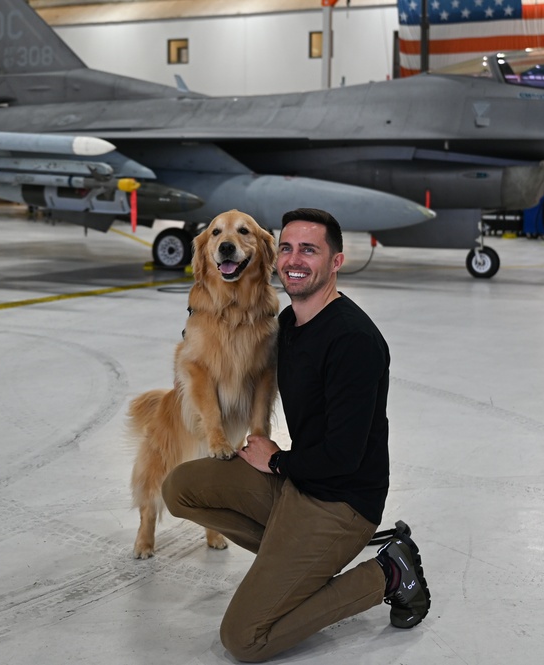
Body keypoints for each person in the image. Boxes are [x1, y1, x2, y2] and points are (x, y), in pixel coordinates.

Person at [162, 208, 430, 662]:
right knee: (180, 489)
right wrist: (199, 322)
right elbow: (232, 352)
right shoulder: (287, 326)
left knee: (244, 639)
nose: (294, 259)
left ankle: (388, 572)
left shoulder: (354, 340)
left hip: (341, 502)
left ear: (336, 262)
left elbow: (344, 456)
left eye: (310, 250)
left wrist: (277, 461)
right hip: (297, 485)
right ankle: (296, 564)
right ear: (273, 256)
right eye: (286, 248)